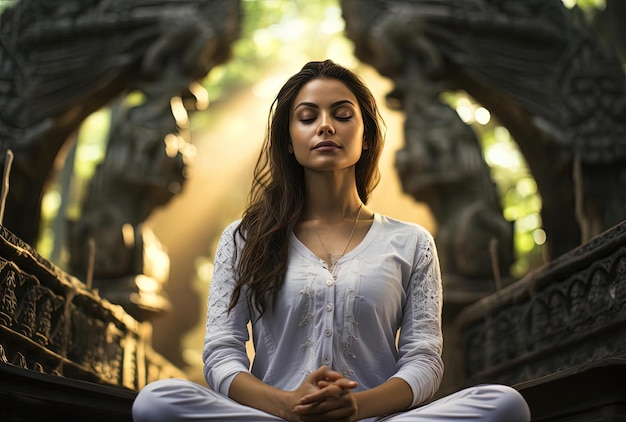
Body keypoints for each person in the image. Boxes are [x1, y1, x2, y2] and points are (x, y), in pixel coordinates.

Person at [132, 59, 531, 422]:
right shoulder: (244, 238)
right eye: (307, 117)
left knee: (504, 405)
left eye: (342, 115)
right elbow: (222, 353)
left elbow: (423, 360)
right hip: (276, 418)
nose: (325, 126)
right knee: (156, 401)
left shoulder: (411, 242)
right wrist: (288, 406)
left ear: (366, 136)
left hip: (374, 418)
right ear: (289, 139)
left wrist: (355, 407)